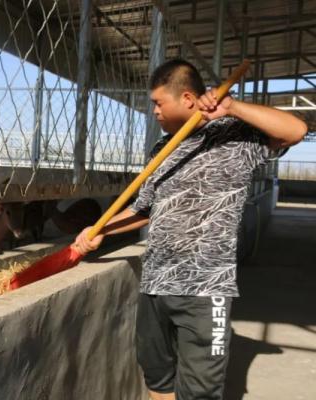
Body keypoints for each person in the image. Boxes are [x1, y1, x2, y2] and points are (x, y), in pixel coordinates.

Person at [73, 59, 307, 400]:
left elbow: (295, 131)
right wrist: (100, 229)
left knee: (200, 390)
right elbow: (145, 210)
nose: (152, 110)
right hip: (155, 283)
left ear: (186, 98)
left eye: (157, 102)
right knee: (158, 376)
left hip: (204, 288)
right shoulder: (161, 150)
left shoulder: (236, 137)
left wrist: (233, 106)